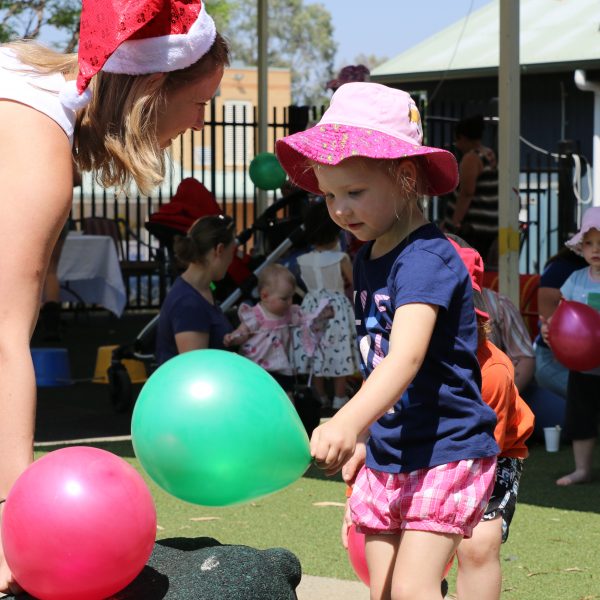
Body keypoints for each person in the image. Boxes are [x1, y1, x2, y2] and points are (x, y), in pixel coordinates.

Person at [0, 1, 228, 592]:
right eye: (201, 103)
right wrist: (13, 524)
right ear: (152, 86)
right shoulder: (36, 135)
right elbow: (2, 341)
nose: (202, 124)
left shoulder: (26, 88)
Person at [276, 82, 499, 600]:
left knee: (412, 589)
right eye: (329, 195)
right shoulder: (367, 256)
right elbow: (375, 354)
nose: (339, 209)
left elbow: (406, 357)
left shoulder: (426, 259)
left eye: (354, 192)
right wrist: (366, 437)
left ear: (404, 177)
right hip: (390, 449)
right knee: (381, 589)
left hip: (445, 449)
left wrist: (348, 420)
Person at [448, 237, 534, 600]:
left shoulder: (493, 370)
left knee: (477, 543)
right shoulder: (396, 360)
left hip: (488, 455)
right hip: (425, 450)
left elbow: (486, 447)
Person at [544, 207, 600, 486]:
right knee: (581, 418)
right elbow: (562, 316)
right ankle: (582, 468)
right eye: (589, 243)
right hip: (584, 366)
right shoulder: (576, 280)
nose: (595, 249)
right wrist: (549, 328)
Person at [223, 263, 331, 393]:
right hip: (255, 366)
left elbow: (307, 321)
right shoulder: (256, 315)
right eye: (284, 298)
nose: (290, 301)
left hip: (281, 367)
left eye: (292, 296)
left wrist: (321, 315)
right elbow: (243, 332)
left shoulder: (290, 313)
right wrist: (233, 338)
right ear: (264, 296)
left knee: (286, 396)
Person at [294, 200, 360, 409]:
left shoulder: (303, 259)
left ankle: (320, 395)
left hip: (311, 306)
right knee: (339, 349)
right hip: (336, 309)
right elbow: (355, 283)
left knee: (317, 349)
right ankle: (339, 396)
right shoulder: (340, 258)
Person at [155, 215, 236, 365]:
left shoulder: (199, 290)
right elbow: (196, 369)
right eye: (232, 253)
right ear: (219, 250)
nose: (231, 260)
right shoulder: (188, 304)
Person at [443, 114, 499, 261]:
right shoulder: (488, 153)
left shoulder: (471, 158)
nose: (457, 145)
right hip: (488, 225)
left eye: (457, 140)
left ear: (462, 138)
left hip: (474, 228)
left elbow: (467, 192)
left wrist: (454, 223)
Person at [535, 246, 588, 399]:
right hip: (556, 361)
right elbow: (551, 326)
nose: (596, 249)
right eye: (590, 243)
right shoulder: (562, 271)